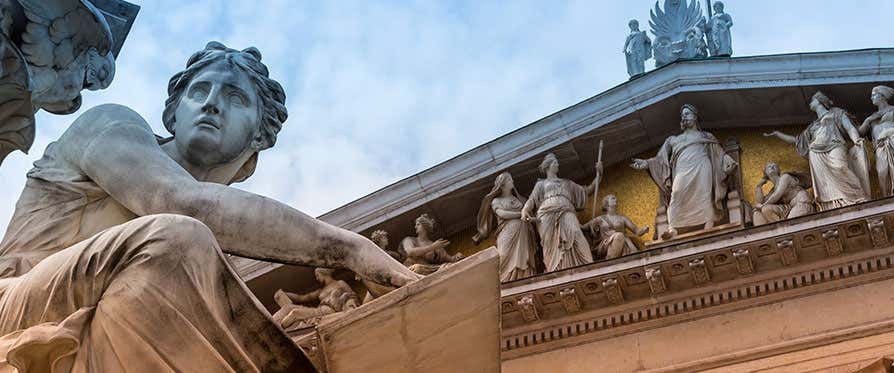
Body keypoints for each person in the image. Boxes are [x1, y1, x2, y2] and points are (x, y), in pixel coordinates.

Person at [0, 42, 418, 371]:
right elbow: (182, 204)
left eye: (235, 97)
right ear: (173, 114)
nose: (212, 102)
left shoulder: (199, 263)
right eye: (199, 91)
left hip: (111, 307)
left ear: (259, 138)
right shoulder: (108, 126)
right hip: (14, 303)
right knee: (176, 237)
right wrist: (352, 249)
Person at [631, 104, 737, 239]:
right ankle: (672, 228)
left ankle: (708, 223)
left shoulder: (706, 136)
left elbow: (718, 153)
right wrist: (646, 163)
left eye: (687, 114)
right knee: (676, 194)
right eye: (682, 115)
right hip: (682, 170)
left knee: (705, 193)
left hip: (702, 166)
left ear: (695, 117)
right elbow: (660, 159)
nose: (684, 117)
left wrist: (728, 160)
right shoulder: (673, 140)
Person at [766, 92, 871, 210]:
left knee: (840, 167)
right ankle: (831, 206)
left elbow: (850, 128)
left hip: (835, 145)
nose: (810, 103)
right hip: (816, 153)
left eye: (812, 100)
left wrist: (856, 140)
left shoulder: (837, 113)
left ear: (819, 101)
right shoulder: (812, 126)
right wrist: (778, 134)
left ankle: (858, 197)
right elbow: (796, 140)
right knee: (825, 183)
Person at [522, 153, 601, 272]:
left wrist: (599, 175)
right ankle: (553, 269)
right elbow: (531, 200)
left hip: (566, 212)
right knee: (550, 244)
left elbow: (587, 190)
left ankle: (588, 264)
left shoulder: (567, 183)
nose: (557, 164)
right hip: (546, 217)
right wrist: (524, 210)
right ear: (548, 166)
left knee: (576, 233)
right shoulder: (541, 184)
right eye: (555, 163)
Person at [474, 172, 539, 282]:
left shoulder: (518, 199)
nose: (512, 181)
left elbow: (528, 213)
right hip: (507, 232)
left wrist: (530, 217)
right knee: (504, 255)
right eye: (509, 180)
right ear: (502, 184)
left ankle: (526, 277)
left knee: (525, 258)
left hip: (523, 232)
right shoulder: (496, 201)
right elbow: (502, 214)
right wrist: (521, 214)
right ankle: (504, 280)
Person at [272, 268, 359, 330]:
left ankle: (276, 331)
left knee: (295, 313)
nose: (317, 278)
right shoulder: (321, 291)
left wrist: (349, 308)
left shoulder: (339, 283)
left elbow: (351, 296)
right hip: (319, 311)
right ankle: (273, 325)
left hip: (329, 312)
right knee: (288, 308)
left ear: (324, 273)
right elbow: (301, 298)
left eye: (317, 275)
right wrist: (285, 293)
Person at [582, 195, 649, 260]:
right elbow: (583, 228)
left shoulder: (622, 218)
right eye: (612, 198)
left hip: (624, 243)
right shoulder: (599, 219)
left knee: (620, 237)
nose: (615, 199)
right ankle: (609, 262)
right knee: (618, 236)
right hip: (606, 245)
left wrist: (644, 229)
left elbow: (637, 231)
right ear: (607, 203)